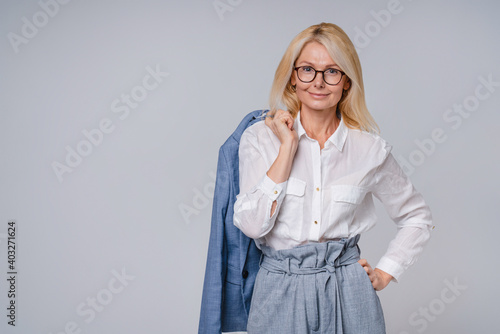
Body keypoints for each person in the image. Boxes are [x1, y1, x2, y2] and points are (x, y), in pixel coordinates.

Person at [232, 22, 434, 333]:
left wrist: (384, 272)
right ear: (292, 79)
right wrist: (288, 147)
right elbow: (252, 225)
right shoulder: (260, 139)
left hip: (348, 289)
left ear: (347, 83)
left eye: (332, 71)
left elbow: (417, 217)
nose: (319, 82)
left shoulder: (369, 150)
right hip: (279, 288)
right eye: (307, 70)